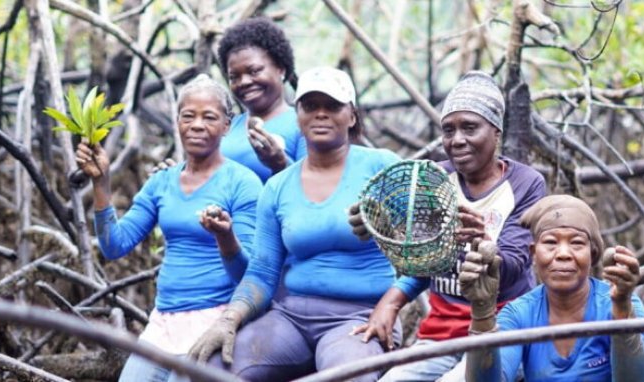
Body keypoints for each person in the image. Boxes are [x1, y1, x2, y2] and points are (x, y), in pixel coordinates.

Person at [188, 67, 401, 381]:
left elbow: (426, 248)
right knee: (211, 369)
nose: (320, 114)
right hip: (291, 318)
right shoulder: (278, 187)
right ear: (298, 117)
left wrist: (391, 305)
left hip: (360, 316)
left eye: (332, 106)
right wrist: (229, 319)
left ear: (352, 116)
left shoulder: (383, 167)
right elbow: (262, 272)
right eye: (310, 106)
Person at [349, 71, 547, 381]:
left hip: (505, 331)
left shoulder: (526, 184)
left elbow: (514, 267)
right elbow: (423, 261)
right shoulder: (435, 179)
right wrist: (382, 234)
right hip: (441, 334)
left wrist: (485, 247)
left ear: (496, 131)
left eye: (470, 127)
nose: (457, 140)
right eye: (448, 129)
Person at [75, 74, 262, 382]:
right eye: (188, 116)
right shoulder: (161, 182)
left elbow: (247, 276)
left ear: (227, 126)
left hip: (215, 319)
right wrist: (101, 182)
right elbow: (113, 246)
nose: (197, 124)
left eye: (209, 117)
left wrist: (225, 236)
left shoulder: (242, 183)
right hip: (163, 322)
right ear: (177, 121)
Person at [460, 195, 644, 381]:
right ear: (533, 254)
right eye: (551, 242)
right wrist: (482, 311)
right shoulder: (519, 314)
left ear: (593, 253)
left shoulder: (619, 304)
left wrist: (621, 308)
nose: (563, 254)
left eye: (577, 243)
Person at [217, 16, 306, 181]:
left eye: (254, 71)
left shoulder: (303, 125)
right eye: (234, 76)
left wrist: (280, 165)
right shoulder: (226, 128)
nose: (244, 82)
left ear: (281, 69)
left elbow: (313, 190)